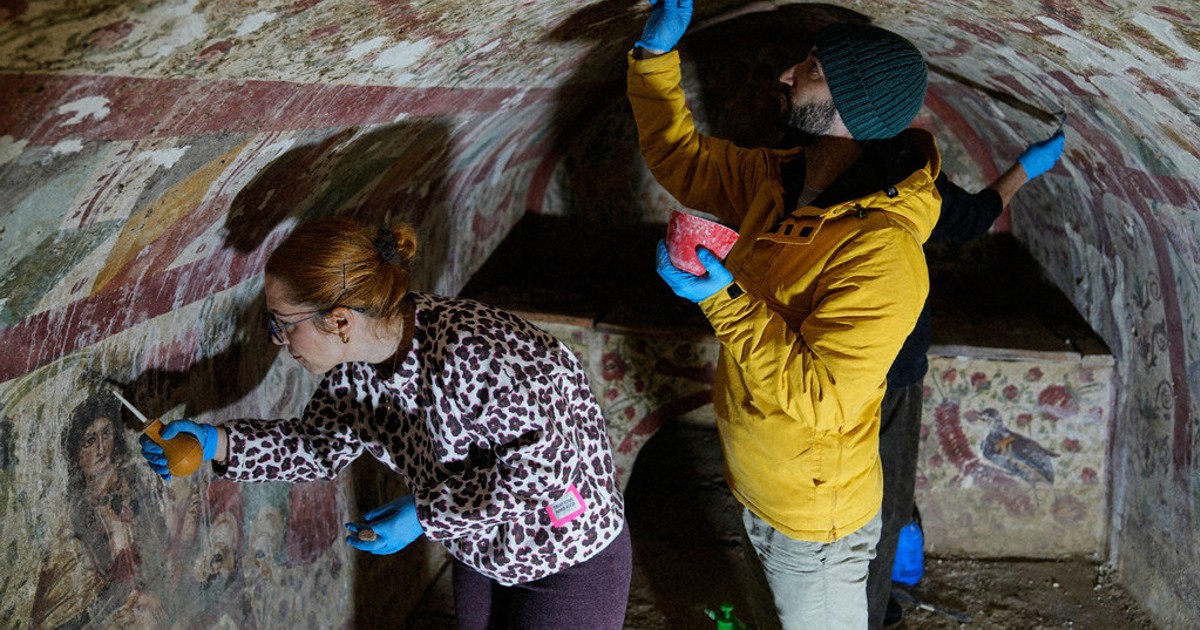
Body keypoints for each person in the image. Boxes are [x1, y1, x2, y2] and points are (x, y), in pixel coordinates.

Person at [139, 216, 630, 629]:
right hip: (483, 549)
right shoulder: (354, 371)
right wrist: (214, 443)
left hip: (567, 548)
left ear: (340, 320)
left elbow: (544, 472)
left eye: (283, 325)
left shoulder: (471, 352)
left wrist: (424, 515)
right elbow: (318, 446)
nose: (277, 341)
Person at [630, 1, 939, 627]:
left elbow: (824, 397)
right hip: (759, 481)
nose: (787, 75)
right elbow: (679, 158)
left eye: (814, 69)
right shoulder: (780, 178)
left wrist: (720, 298)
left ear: (855, 108)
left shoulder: (882, 250)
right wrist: (653, 60)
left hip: (812, 519)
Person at [869, 129, 1066, 629]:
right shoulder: (904, 163)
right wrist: (1025, 168)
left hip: (819, 353)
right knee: (885, 493)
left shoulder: (793, 151)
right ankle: (866, 613)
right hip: (890, 361)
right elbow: (971, 218)